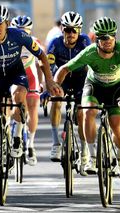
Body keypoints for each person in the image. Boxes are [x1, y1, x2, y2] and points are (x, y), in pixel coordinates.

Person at [0, 4, 62, 196]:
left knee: (19, 94)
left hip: (15, 76)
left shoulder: (19, 35)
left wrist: (49, 81)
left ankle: (17, 137)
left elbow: (42, 56)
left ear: (6, 23)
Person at [54, 17, 120, 180]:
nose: (108, 41)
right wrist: (54, 87)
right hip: (94, 86)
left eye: (111, 36)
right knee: (88, 112)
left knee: (116, 125)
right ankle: (92, 157)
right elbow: (64, 69)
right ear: (96, 39)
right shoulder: (89, 53)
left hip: (115, 88)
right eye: (103, 37)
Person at [44, 11, 91, 175]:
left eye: (74, 30)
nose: (70, 34)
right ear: (62, 29)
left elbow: (92, 64)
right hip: (62, 78)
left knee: (81, 114)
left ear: (79, 31)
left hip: (81, 79)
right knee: (56, 100)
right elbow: (49, 68)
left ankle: (85, 151)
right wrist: (46, 89)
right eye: (67, 30)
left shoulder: (85, 41)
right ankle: (56, 143)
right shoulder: (55, 43)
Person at [10, 15, 44, 166]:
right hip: (13, 78)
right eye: (18, 30)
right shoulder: (8, 42)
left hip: (30, 77)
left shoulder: (34, 42)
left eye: (24, 31)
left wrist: (41, 82)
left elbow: (40, 63)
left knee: (32, 108)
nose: (21, 34)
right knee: (16, 105)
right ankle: (13, 134)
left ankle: (30, 144)